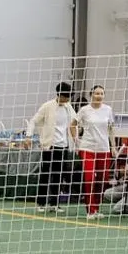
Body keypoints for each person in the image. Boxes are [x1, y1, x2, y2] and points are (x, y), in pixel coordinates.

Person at [28, 81, 79, 214]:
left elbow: (75, 122)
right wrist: (29, 136)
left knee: (59, 175)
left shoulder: (69, 108)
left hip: (63, 146)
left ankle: (54, 203)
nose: (67, 99)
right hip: (49, 146)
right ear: (59, 94)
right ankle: (41, 202)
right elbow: (34, 120)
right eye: (65, 96)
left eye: (68, 97)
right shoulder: (48, 106)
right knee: (45, 174)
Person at [74, 84, 117, 220]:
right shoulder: (84, 110)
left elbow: (111, 129)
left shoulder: (108, 109)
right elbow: (72, 124)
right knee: (89, 178)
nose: (99, 96)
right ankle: (90, 210)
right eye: (96, 93)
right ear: (91, 94)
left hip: (104, 149)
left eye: (101, 94)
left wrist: (113, 147)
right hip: (87, 148)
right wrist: (77, 142)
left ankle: (96, 208)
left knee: (103, 179)